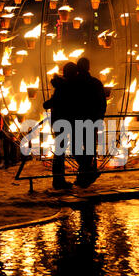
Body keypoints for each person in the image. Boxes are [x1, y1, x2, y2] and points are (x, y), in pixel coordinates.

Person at [43, 62, 78, 190]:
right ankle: (58, 180)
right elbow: (52, 103)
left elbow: (51, 103)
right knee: (60, 152)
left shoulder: (61, 86)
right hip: (64, 122)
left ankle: (59, 179)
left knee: (60, 152)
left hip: (59, 121)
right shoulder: (66, 87)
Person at [73, 57, 107, 187]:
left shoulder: (73, 83)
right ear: (88, 67)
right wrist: (100, 117)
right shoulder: (95, 83)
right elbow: (102, 102)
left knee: (76, 147)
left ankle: (85, 172)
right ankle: (88, 171)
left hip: (77, 120)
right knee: (89, 148)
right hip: (92, 120)